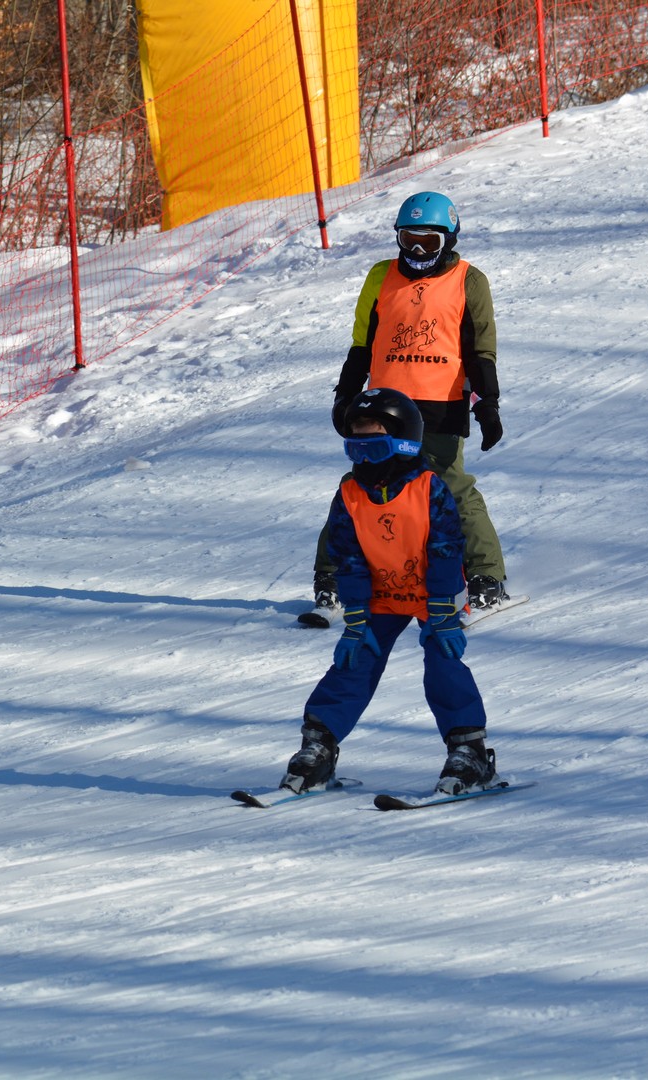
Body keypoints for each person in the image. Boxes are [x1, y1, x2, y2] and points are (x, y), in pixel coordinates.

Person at [302, 190, 509, 627]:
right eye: (409, 240)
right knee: (360, 488)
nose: (417, 251)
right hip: (383, 407)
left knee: (450, 489)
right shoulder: (381, 276)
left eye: (428, 242)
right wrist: (346, 394)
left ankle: (486, 580)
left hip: (440, 405)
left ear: (449, 239)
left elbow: (481, 350)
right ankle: (335, 581)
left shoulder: (470, 281)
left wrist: (487, 403)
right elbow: (362, 342)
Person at [281, 387, 498, 798]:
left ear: (403, 444)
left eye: (374, 449)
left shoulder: (429, 488)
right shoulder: (350, 494)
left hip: (433, 595)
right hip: (381, 594)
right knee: (355, 661)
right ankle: (319, 747)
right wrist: (356, 614)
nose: (364, 461)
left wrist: (443, 609)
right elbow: (348, 556)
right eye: (355, 449)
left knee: (443, 663)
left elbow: (446, 548)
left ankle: (469, 753)